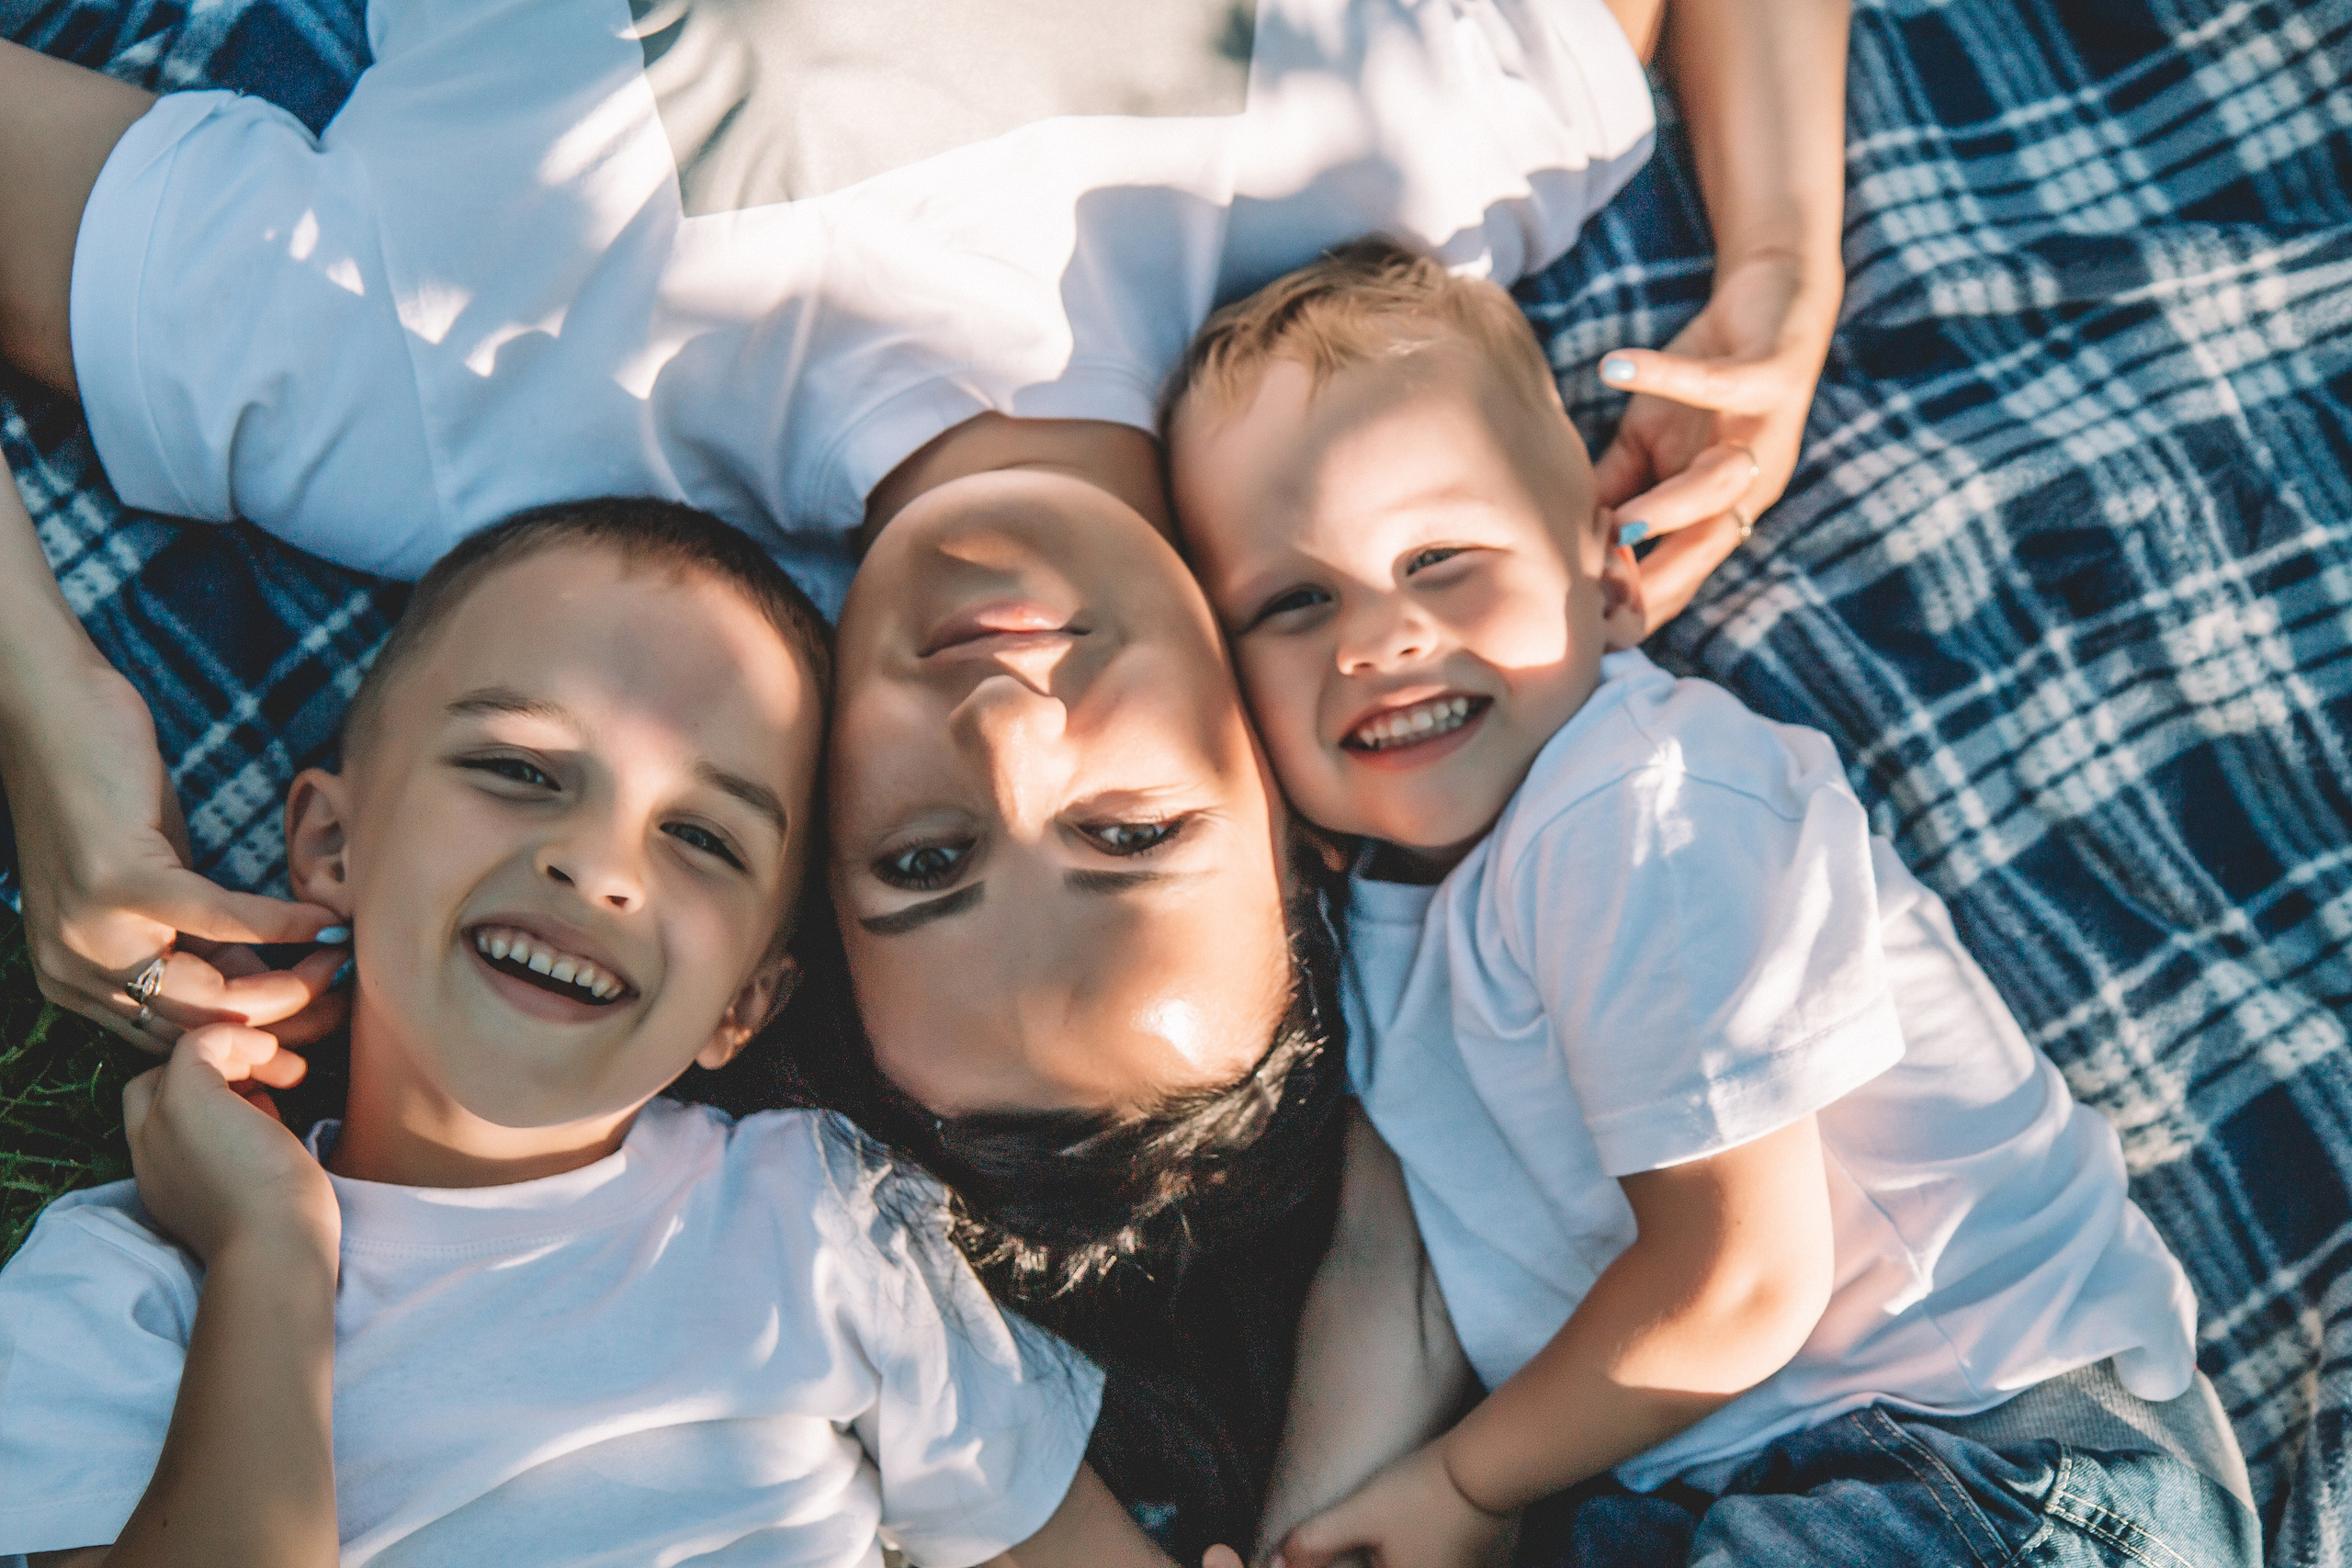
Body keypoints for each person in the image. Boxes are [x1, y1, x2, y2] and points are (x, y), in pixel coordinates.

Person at [0, 0, 1849, 1121]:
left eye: (922, 858)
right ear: (1273, 777)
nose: (1001, 736)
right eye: (1126, 836)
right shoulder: (1417, 196)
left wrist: (48, 710)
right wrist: (1777, 264)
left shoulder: (443, 407)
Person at [1161, 240, 2261, 1565]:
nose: (1378, 636)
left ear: (1608, 572)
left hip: (1988, 1452)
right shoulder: (1379, 930)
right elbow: (1391, 1279)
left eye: (1442, 554)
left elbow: (1743, 1278)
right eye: (1293, 599)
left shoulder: (1636, 804)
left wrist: (1460, 1484)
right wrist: (1309, 1536)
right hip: (1731, 1474)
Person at [0, 496, 1182, 1568]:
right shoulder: (138, 1289)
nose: (600, 865)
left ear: (747, 1005)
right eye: (518, 768)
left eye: (704, 839)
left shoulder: (819, 1220)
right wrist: (269, 1255)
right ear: (332, 848)